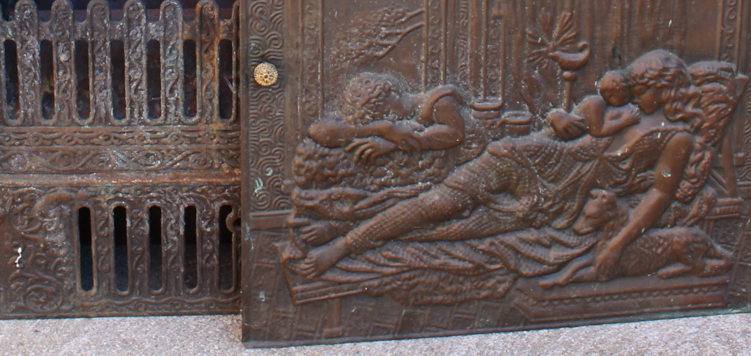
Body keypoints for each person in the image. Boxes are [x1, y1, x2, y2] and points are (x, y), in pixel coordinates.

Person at [295, 50, 700, 280]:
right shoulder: (618, 104)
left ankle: (346, 230)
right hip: (524, 154)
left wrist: (617, 243)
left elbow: (659, 196)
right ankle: (341, 244)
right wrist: (560, 119)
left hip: (555, 197)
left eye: (643, 88)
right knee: (437, 203)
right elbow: (573, 120)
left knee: (451, 230)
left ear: (664, 90)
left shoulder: (675, 137)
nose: (632, 92)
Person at [306, 72, 469, 164]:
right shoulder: (389, 124)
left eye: (385, 115)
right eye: (381, 118)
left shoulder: (440, 103)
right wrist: (382, 129)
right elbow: (318, 130)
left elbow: (455, 135)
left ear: (394, 95)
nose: (389, 118)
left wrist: (392, 144)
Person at [546, 71, 640, 141]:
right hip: (554, 136)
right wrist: (626, 121)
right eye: (625, 97)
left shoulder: (601, 104)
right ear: (612, 95)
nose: (627, 100)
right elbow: (598, 131)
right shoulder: (596, 102)